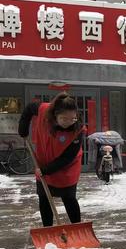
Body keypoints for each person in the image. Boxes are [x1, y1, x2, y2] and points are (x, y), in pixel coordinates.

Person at [18, 92, 85, 227]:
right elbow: (29, 109)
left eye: (72, 118)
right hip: (44, 160)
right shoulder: (44, 110)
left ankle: (77, 227)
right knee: (44, 198)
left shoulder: (78, 130)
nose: (69, 122)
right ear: (55, 115)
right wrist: (23, 127)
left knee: (69, 197)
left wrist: (46, 170)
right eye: (64, 119)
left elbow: (68, 157)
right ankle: (48, 229)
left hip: (67, 168)